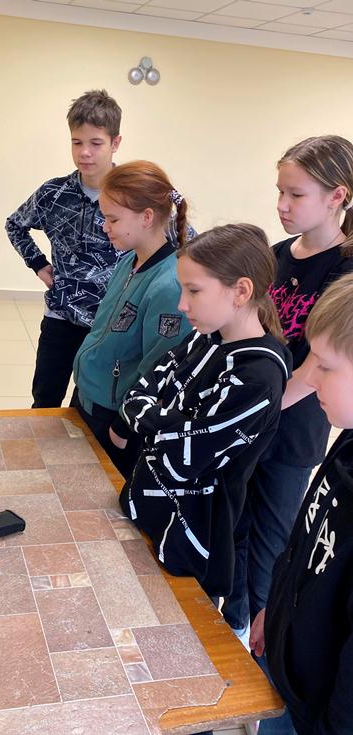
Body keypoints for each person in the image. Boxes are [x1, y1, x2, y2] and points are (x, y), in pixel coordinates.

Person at [223, 136, 353, 648]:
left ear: (337, 197)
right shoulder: (275, 256)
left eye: (296, 195)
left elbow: (316, 363)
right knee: (234, 527)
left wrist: (263, 409)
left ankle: (260, 649)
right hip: (253, 420)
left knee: (271, 544)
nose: (282, 205)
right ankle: (232, 627)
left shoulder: (344, 268)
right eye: (279, 191)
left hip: (292, 429)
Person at [114, 224, 291, 600]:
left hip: (190, 547)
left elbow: (182, 461)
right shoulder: (204, 336)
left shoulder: (258, 376)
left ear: (241, 291)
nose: (182, 304)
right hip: (146, 509)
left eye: (193, 291)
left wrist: (156, 420)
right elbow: (136, 394)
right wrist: (176, 425)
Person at [5, 89, 191, 408]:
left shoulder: (135, 197)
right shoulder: (53, 194)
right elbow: (14, 224)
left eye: (95, 143)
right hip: (61, 315)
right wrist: (38, 264)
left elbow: (188, 241)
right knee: (45, 398)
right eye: (77, 143)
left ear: (115, 142)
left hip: (112, 324)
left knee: (90, 401)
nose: (85, 153)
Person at [250, 273, 353, 735]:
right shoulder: (347, 439)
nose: (308, 377)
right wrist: (276, 612)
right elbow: (304, 540)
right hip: (289, 669)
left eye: (325, 367)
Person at [71, 160, 192, 478]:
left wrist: (124, 424)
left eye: (113, 219)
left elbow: (159, 368)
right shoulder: (129, 261)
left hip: (115, 417)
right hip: (89, 396)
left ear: (146, 217)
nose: (104, 226)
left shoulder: (169, 285)